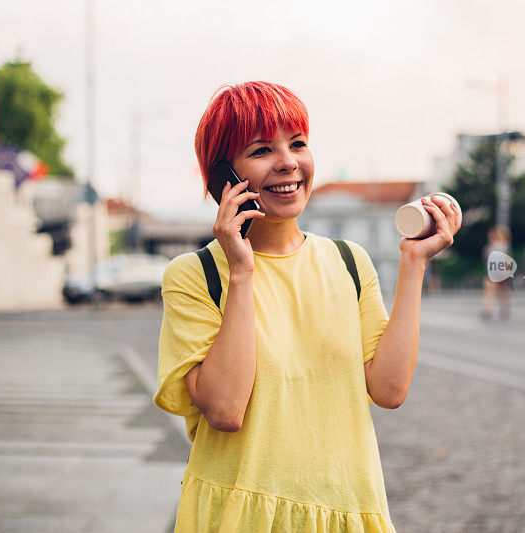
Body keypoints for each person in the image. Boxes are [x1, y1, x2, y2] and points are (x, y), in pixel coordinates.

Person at [154, 81, 459, 532]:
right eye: (261, 151)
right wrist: (241, 271)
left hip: (346, 507)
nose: (288, 162)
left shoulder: (349, 261)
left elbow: (389, 390)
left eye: (297, 143)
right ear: (223, 176)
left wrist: (413, 263)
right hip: (242, 516)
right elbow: (225, 409)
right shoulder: (196, 275)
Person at [480, 225, 512, 320]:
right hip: (492, 271)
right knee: (490, 291)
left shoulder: (503, 245)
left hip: (500, 271)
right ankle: (488, 309)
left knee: (502, 291)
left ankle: (502, 309)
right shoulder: (493, 245)